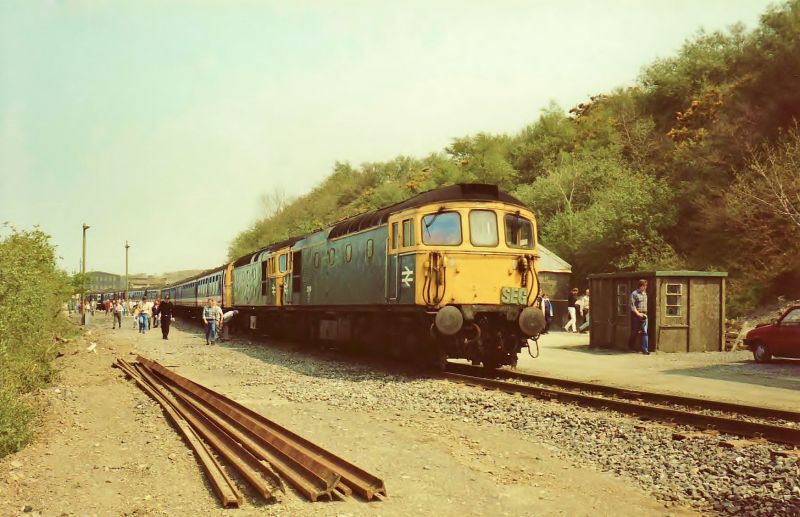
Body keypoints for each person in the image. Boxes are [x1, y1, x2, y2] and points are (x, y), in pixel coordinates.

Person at [628, 279, 649, 354]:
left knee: (645, 331)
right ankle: (631, 347)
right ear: (640, 286)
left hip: (644, 314)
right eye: (644, 286)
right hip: (636, 315)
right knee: (634, 331)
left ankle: (645, 349)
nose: (645, 287)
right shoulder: (634, 293)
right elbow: (632, 306)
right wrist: (638, 314)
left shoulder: (645, 293)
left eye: (646, 286)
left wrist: (644, 314)